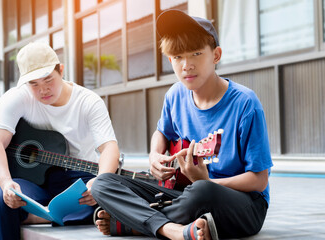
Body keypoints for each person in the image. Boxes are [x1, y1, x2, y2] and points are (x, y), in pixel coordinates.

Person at [91, 9, 273, 240]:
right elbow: (161, 132)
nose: (186, 65)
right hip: (184, 195)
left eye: (196, 54)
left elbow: (259, 180)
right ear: (170, 61)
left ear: (216, 55)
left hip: (242, 203)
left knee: (201, 191)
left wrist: (206, 181)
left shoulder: (245, 103)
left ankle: (134, 223)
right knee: (102, 183)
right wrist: (154, 155)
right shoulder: (175, 95)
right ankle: (173, 230)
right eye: (177, 57)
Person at [0, 42, 120, 240]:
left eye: (48, 80)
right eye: (34, 84)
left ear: (61, 70)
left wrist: (99, 182)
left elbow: (109, 148)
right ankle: (42, 215)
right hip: (31, 179)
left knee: (111, 199)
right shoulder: (16, 98)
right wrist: (6, 183)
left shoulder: (88, 101)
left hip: (77, 179)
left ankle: (34, 217)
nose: (43, 90)